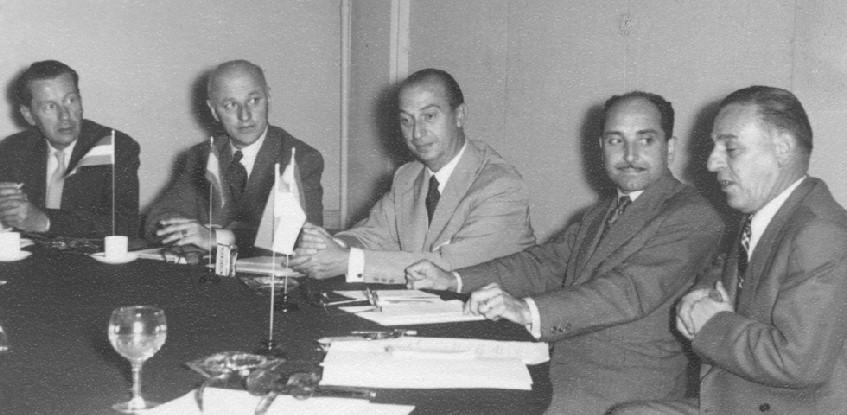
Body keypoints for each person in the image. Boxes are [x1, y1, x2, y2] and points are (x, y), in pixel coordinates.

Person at [407, 91, 725, 414]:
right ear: (601, 148)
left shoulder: (692, 215)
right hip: (557, 370)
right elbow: (543, 264)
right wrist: (454, 280)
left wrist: (526, 311)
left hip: (621, 393)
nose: (629, 154)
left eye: (645, 140)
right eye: (616, 141)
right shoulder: (601, 213)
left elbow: (628, 290)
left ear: (669, 148)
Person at [611, 87, 847, 414]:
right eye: (714, 147)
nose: (711, 162)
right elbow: (728, 266)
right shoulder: (771, 215)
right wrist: (703, 291)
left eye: (730, 148)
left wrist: (711, 324)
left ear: (783, 148)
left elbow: (797, 362)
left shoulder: (820, 232)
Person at [291, 68, 534, 283]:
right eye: (406, 121)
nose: (417, 133)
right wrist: (332, 246)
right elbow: (374, 233)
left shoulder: (501, 185)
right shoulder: (409, 176)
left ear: (460, 115)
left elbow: (450, 266)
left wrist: (348, 261)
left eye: (429, 116)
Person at [144, 59, 323, 252]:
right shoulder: (201, 156)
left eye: (254, 101)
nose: (245, 116)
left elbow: (305, 237)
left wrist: (220, 237)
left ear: (268, 98)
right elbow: (157, 222)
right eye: (230, 105)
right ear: (214, 111)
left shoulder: (300, 158)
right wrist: (188, 231)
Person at [0, 60, 140, 238]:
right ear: (29, 115)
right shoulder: (13, 150)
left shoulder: (114, 146)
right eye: (50, 106)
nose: (65, 115)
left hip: (89, 255)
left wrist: (44, 221)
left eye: (70, 100)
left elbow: (125, 225)